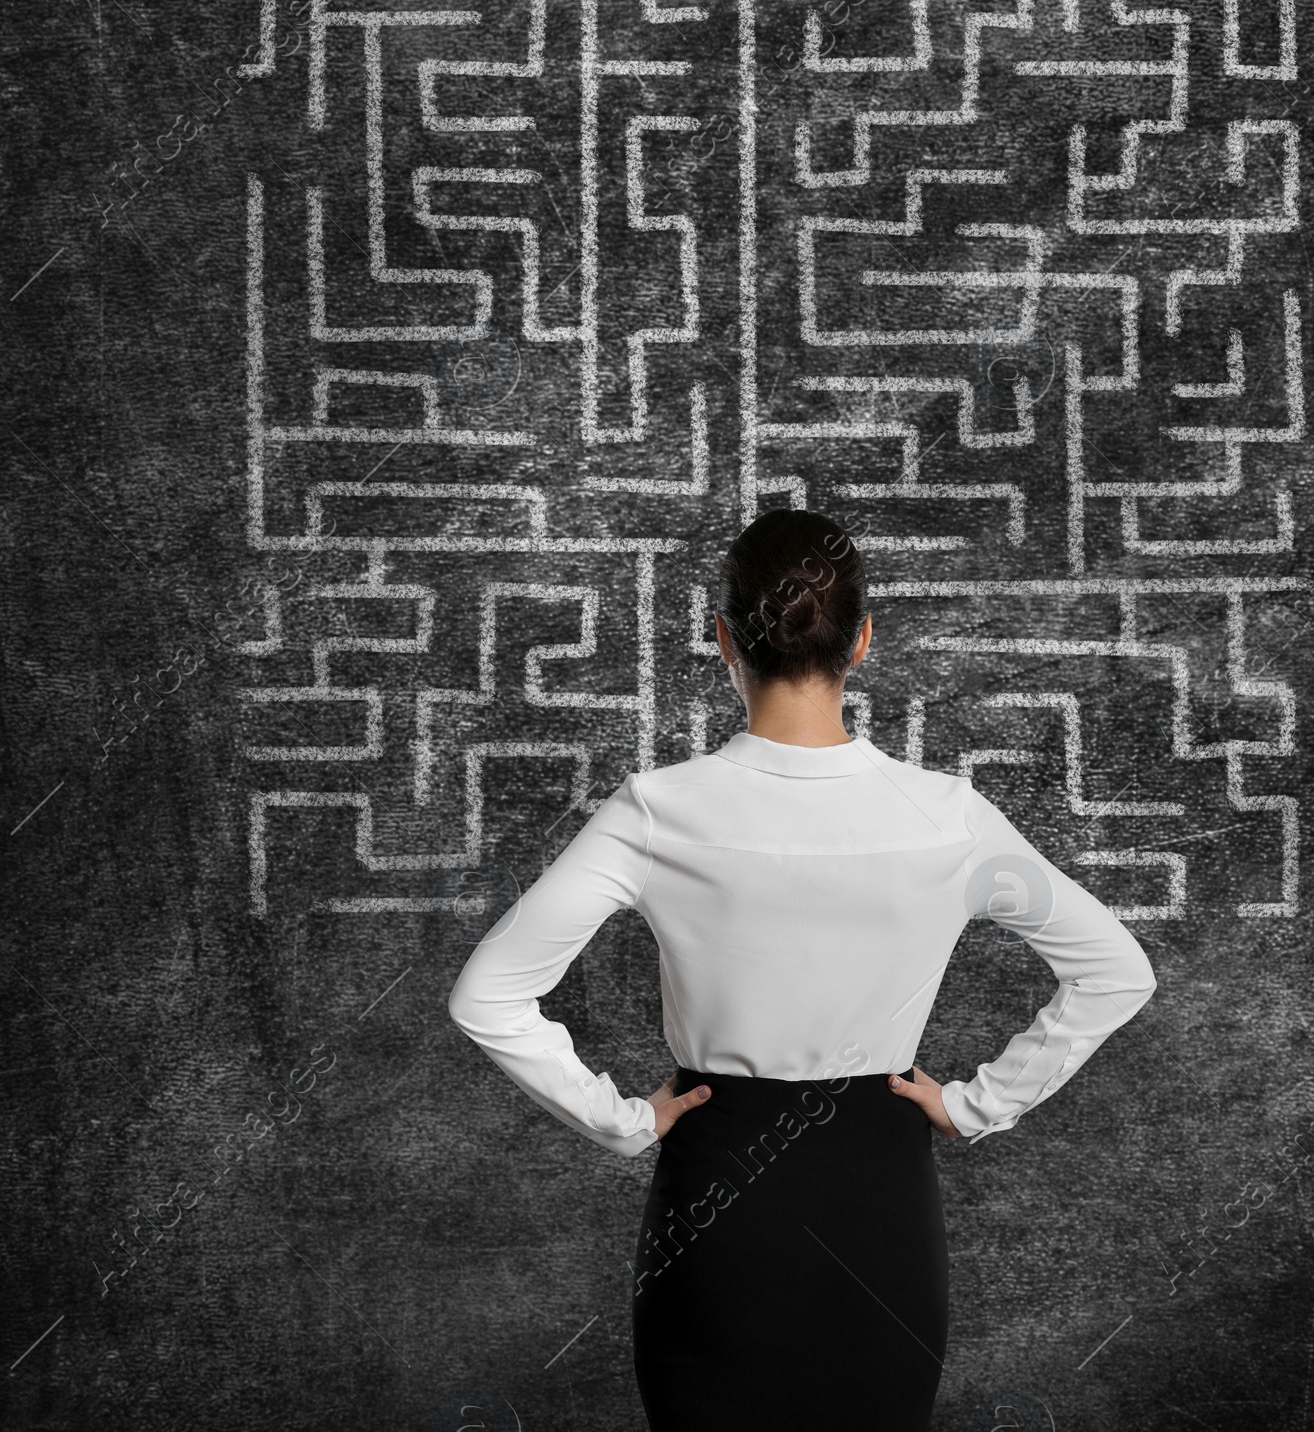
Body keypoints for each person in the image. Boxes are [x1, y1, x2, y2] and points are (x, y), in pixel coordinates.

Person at [447, 508, 1158, 1431]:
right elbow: (1116, 970)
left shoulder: (658, 810)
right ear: (861, 640)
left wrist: (622, 1122)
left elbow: (487, 996)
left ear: (722, 640)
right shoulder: (950, 817)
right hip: (882, 1199)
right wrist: (978, 1103)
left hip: (714, 1204)